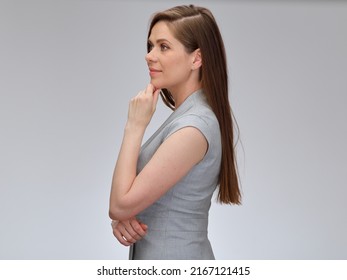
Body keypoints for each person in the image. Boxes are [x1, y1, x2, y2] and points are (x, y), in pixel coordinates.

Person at [109, 4, 241, 260]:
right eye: (150, 46)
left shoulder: (193, 127)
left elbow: (119, 204)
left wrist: (134, 126)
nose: (149, 55)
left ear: (197, 58)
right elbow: (127, 204)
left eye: (163, 46)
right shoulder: (187, 118)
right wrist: (124, 216)